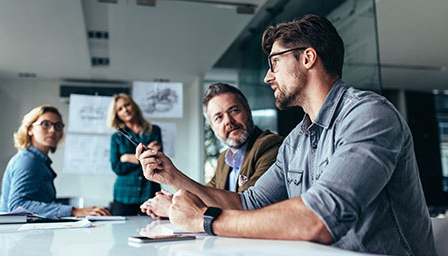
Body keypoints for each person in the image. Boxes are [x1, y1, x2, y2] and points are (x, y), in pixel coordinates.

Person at [136, 14, 437, 255]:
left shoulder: (369, 116)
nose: (268, 76)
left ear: (308, 58)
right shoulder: (296, 140)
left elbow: (319, 218)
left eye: (275, 62)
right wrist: (172, 177)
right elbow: (248, 203)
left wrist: (205, 220)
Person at [140, 83, 283, 218]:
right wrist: (174, 200)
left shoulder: (270, 146)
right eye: (218, 117)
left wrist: (172, 207)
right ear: (213, 127)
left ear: (248, 111)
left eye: (234, 111)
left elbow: (248, 207)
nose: (228, 121)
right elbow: (205, 197)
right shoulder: (224, 159)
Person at [0, 105, 110, 217]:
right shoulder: (28, 160)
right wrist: (74, 211)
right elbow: (18, 206)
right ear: (30, 129)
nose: (53, 130)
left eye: (58, 126)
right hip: (17, 233)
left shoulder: (40, 161)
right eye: (45, 124)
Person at [108, 93, 162, 216]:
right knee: (121, 233)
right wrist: (144, 158)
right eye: (120, 109)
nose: (125, 110)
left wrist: (127, 157)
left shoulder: (154, 131)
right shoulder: (116, 137)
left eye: (127, 105)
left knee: (152, 230)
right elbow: (117, 167)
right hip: (124, 195)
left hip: (149, 191)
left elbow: (156, 161)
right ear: (117, 115)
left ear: (134, 106)